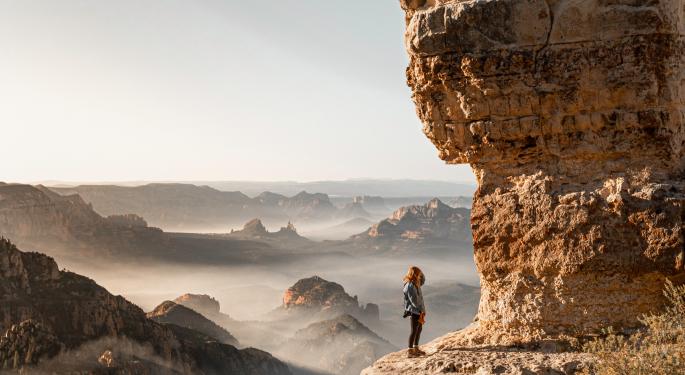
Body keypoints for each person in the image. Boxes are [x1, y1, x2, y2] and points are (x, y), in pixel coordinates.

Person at [403, 265, 426, 357]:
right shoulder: (410, 285)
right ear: (415, 274)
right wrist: (421, 309)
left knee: (419, 329)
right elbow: (414, 301)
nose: (420, 276)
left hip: (419, 311)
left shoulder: (416, 283)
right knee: (414, 330)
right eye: (418, 274)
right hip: (414, 311)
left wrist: (421, 273)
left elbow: (423, 281)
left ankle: (416, 348)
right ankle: (410, 351)